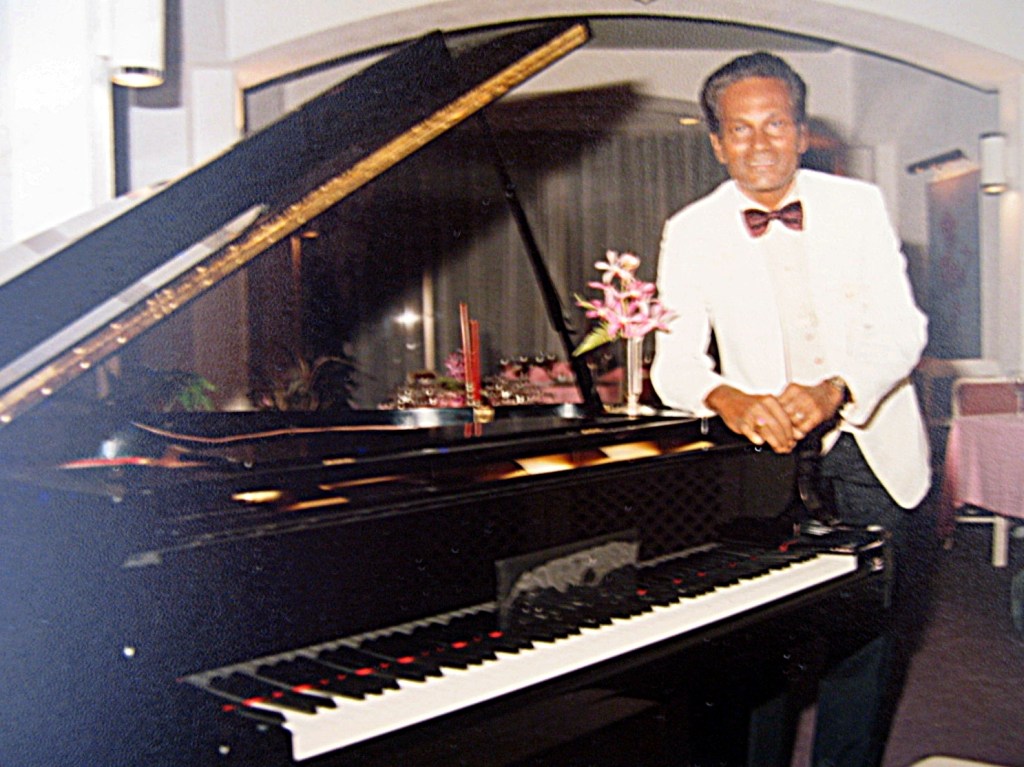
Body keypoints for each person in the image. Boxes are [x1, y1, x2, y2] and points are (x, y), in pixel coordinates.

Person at [650, 52, 932, 767]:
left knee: (862, 644)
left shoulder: (860, 206)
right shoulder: (690, 229)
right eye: (739, 130)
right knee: (761, 649)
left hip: (872, 448)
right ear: (716, 143)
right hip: (762, 463)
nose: (759, 143)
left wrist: (836, 386)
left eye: (775, 123)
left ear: (803, 132)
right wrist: (730, 396)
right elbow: (673, 363)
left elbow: (904, 329)